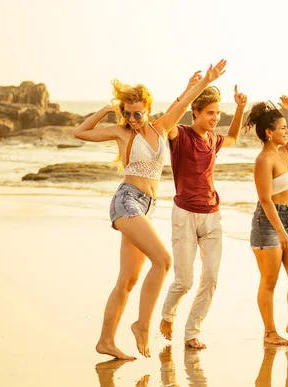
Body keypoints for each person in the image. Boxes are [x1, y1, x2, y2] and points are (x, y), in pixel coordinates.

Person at [73, 60, 227, 359]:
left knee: (128, 280)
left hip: (147, 207)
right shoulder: (121, 133)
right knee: (164, 260)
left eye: (137, 113)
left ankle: (105, 340)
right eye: (127, 113)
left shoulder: (161, 127)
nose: (132, 118)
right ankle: (142, 325)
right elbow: (80, 132)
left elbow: (184, 102)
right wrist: (106, 111)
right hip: (127, 201)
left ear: (148, 109)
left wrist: (206, 81)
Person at [159, 72, 249, 350]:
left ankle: (192, 333)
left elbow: (233, 137)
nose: (215, 118)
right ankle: (167, 315)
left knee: (210, 278)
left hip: (212, 215)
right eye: (210, 113)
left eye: (218, 113)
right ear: (194, 113)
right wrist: (188, 90)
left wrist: (240, 108)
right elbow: (166, 121)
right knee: (184, 281)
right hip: (184, 215)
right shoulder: (180, 135)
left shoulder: (213, 139)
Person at [245, 96, 288, 345]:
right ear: (269, 133)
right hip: (268, 223)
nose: (287, 131)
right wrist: (280, 232)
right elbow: (265, 199)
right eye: (282, 128)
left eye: (286, 127)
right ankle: (270, 332)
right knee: (270, 280)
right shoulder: (264, 161)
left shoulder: (284, 152)